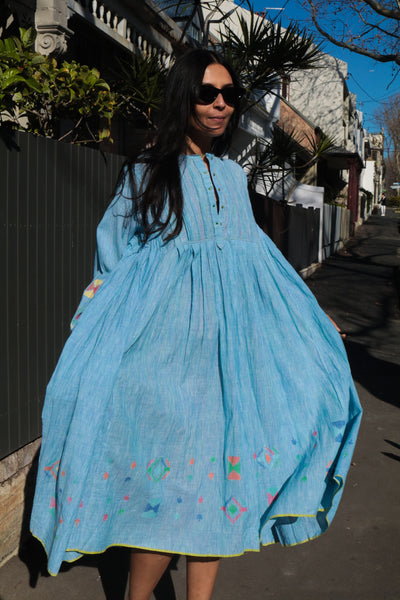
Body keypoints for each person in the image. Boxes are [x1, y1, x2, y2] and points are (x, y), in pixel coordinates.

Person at [30, 49, 362, 600]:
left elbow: (260, 258)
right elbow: (113, 256)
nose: (220, 105)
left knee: (216, 487)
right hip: (163, 356)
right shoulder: (145, 172)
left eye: (230, 95)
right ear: (184, 97)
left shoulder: (232, 177)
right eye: (207, 93)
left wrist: (311, 311)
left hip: (226, 358)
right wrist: (94, 330)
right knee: (171, 489)